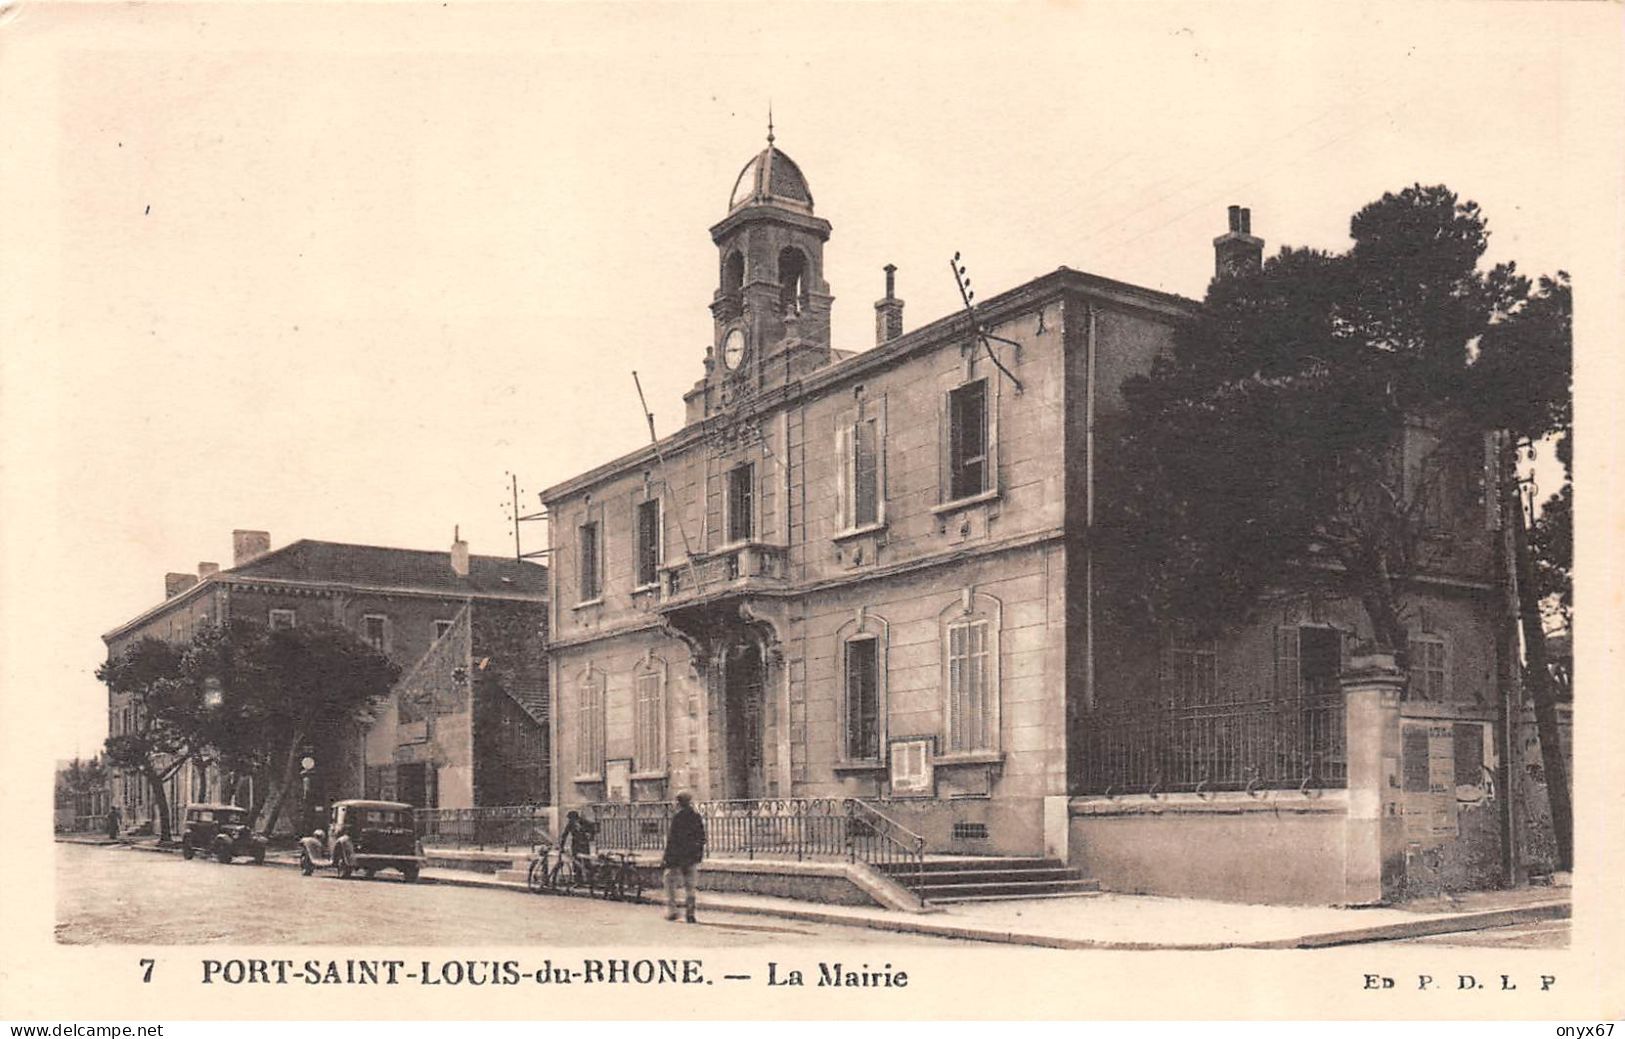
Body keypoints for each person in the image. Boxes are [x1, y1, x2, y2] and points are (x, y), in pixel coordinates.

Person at [662, 792, 705, 923]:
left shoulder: (678, 817)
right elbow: (702, 838)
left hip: (677, 857)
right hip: (691, 857)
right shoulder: (696, 817)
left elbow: (672, 840)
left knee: (669, 881)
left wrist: (666, 858)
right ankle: (690, 913)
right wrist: (698, 855)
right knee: (690, 886)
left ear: (679, 803)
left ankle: (672, 911)